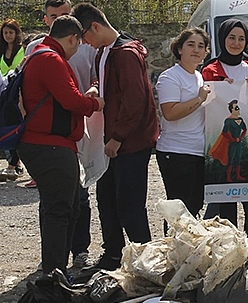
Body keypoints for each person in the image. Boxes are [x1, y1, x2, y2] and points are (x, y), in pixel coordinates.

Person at [73, 2, 159, 270]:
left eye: (85, 36)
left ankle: (144, 258)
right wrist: (95, 88)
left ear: (95, 27)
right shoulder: (104, 53)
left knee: (130, 204)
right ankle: (113, 255)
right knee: (106, 200)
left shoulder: (125, 54)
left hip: (129, 143)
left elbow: (136, 101)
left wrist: (118, 137)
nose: (85, 43)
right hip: (111, 141)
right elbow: (105, 81)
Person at [19, 15, 104, 276]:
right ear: (72, 38)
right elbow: (71, 101)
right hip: (51, 146)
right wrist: (94, 103)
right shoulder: (51, 59)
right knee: (60, 210)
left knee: (66, 207)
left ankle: (56, 270)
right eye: (78, 44)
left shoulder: (38, 55)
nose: (77, 49)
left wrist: (82, 98)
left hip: (46, 144)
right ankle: (54, 273)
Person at [201, 19, 248, 228]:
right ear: (222, 39)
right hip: (226, 138)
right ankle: (230, 245)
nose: (236, 43)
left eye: (241, 38)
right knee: (226, 204)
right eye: (231, 38)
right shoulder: (210, 71)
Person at [155, 28, 211, 233]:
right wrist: (198, 99)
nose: (196, 50)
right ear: (179, 49)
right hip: (176, 151)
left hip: (199, 152)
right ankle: (172, 253)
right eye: (191, 44)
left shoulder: (200, 78)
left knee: (195, 206)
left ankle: (188, 254)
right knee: (178, 210)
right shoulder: (170, 77)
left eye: (201, 46)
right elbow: (169, 113)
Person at [0, 19, 25, 182]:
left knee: (16, 126)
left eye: (11, 32)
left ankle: (13, 165)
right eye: (5, 32)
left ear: (16, 33)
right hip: (4, 94)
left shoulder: (22, 51)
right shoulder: (1, 51)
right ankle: (15, 163)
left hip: (19, 93)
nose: (8, 35)